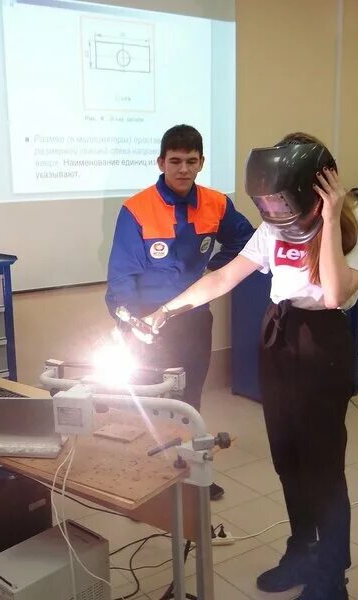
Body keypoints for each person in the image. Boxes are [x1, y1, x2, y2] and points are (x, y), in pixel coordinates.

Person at [143, 132, 358, 600]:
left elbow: (335, 294)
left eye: (282, 202)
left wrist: (330, 218)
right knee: (286, 457)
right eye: (268, 204)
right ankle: (302, 550)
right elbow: (223, 276)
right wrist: (165, 311)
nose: (275, 213)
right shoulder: (276, 222)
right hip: (278, 334)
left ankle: (332, 573)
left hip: (323, 340)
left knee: (323, 465)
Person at [105, 124, 254, 501]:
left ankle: (192, 472)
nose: (183, 169)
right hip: (148, 325)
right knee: (149, 403)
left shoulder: (217, 203)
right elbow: (121, 276)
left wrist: (214, 269)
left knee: (191, 400)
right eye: (175, 161)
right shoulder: (136, 209)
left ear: (201, 162)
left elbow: (247, 242)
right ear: (161, 162)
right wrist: (127, 322)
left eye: (191, 161)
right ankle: (145, 480)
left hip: (194, 318)